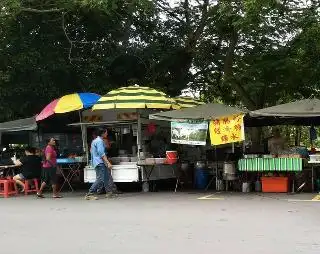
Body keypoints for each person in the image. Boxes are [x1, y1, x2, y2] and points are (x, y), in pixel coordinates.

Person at [85, 128, 113, 200]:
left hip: (98, 162)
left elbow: (91, 151)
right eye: (106, 132)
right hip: (99, 162)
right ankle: (89, 194)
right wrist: (108, 162)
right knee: (100, 179)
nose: (107, 134)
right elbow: (101, 153)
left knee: (106, 177)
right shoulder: (100, 141)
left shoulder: (94, 141)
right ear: (102, 133)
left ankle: (109, 193)